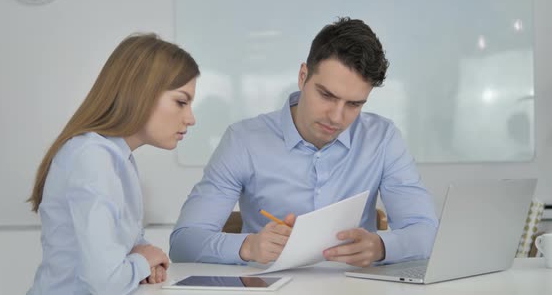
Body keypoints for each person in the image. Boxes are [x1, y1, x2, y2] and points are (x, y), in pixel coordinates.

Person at [169, 17, 438, 267]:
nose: (336, 117)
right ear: (302, 77)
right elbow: (183, 243)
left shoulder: (383, 139)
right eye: (326, 95)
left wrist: (382, 246)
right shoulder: (243, 141)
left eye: (354, 104)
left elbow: (426, 232)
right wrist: (249, 247)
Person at [27, 33, 199, 294]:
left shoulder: (117, 157)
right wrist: (144, 261)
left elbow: (131, 245)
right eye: (181, 102)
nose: (190, 118)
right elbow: (106, 281)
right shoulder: (92, 157)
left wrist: (144, 261)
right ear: (141, 92)